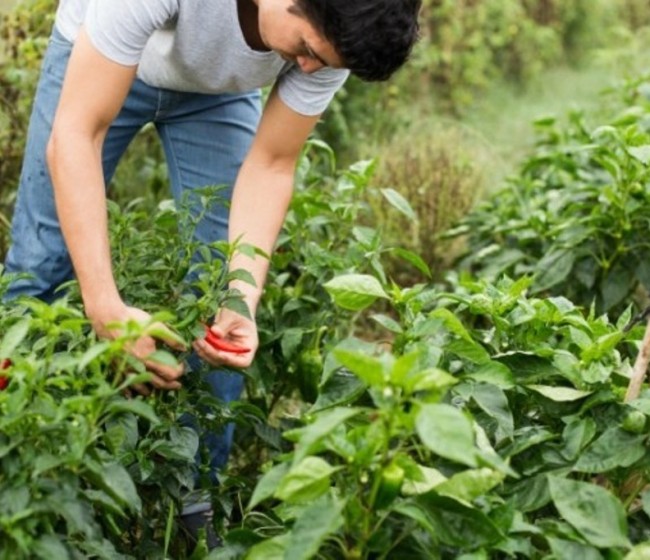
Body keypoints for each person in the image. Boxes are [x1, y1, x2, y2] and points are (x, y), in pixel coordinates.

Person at [2, 0, 421, 547]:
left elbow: (271, 164)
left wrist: (240, 301)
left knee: (223, 300)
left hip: (216, 96)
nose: (311, 69)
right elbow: (76, 135)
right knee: (38, 271)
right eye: (307, 52)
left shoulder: (336, 32)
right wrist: (105, 307)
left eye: (324, 61)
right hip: (96, 51)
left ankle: (198, 507)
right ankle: (17, 464)